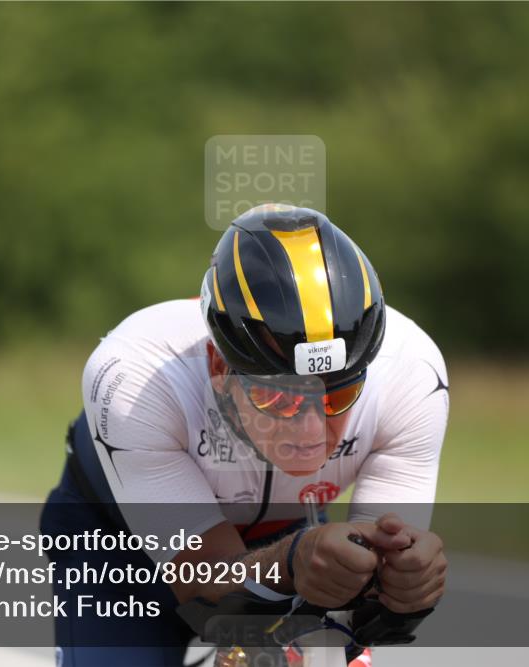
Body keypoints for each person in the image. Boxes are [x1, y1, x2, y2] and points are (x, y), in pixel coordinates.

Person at [41, 204, 449, 666]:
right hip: (118, 547)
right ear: (218, 367)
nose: (312, 432)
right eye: (282, 399)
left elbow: (366, 604)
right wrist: (294, 561)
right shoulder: (135, 377)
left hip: (286, 539)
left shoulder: (412, 374)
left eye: (340, 396)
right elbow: (203, 580)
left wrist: (404, 585)